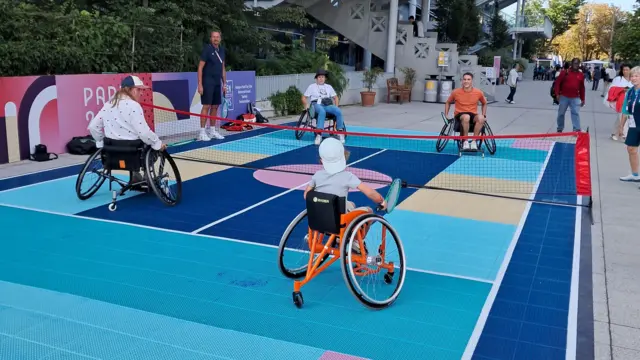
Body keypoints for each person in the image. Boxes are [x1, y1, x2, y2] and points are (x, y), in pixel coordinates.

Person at [88, 75, 165, 182]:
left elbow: (93, 127)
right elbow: (144, 133)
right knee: (152, 145)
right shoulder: (134, 106)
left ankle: (135, 174)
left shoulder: (108, 105)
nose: (141, 93)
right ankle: (147, 175)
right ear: (130, 90)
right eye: (139, 90)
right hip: (134, 154)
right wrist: (158, 144)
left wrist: (101, 142)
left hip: (112, 153)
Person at [304, 137, 386, 213]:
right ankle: (357, 228)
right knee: (369, 210)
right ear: (343, 156)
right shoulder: (348, 176)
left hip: (320, 217)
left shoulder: (317, 175)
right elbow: (369, 192)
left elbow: (306, 196)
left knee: (351, 204)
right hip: (340, 219)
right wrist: (381, 201)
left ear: (322, 160)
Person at [444, 72, 488, 150]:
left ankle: (474, 142)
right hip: (460, 115)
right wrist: (446, 114)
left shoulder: (478, 92)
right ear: (462, 81)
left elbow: (484, 103)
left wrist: (484, 115)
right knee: (466, 117)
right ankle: (465, 141)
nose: (466, 81)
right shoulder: (456, 92)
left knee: (481, 118)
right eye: (464, 79)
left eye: (468, 79)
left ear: (472, 81)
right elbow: (448, 102)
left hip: (473, 115)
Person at [302, 69, 346, 145]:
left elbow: (336, 98)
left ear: (325, 78)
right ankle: (319, 135)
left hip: (327, 104)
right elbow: (303, 98)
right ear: (316, 78)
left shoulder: (329, 87)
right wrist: (306, 105)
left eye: (323, 77)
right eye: (319, 77)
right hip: (316, 104)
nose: (321, 78)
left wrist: (336, 107)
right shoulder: (312, 86)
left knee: (338, 111)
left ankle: (340, 132)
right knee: (322, 111)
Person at [197, 30, 227, 141]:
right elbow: (200, 68)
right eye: (213, 37)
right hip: (207, 82)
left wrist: (225, 84)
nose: (215, 39)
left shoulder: (222, 50)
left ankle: (212, 131)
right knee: (206, 106)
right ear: (211, 38)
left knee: (215, 107)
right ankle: (202, 132)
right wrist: (200, 84)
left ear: (220, 39)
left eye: (217, 37)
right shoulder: (207, 50)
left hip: (217, 83)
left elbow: (223, 68)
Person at [619, 66, 640, 183]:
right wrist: (621, 126)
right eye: (632, 76)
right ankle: (635, 174)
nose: (633, 78)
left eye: (636, 76)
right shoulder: (630, 92)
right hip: (633, 124)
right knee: (631, 148)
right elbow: (625, 111)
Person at [555, 58, 585, 132]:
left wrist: (583, 98)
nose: (576, 65)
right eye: (574, 63)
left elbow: (582, 87)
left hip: (575, 97)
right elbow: (557, 83)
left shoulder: (581, 74)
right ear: (571, 64)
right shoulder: (564, 72)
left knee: (575, 113)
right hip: (564, 97)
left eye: (577, 63)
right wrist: (557, 94)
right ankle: (560, 128)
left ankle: (576, 129)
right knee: (561, 114)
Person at [605, 64, 632, 141]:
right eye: (624, 70)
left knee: (620, 118)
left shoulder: (633, 79)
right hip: (620, 101)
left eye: (627, 70)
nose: (625, 71)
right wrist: (622, 89)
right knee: (624, 117)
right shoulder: (618, 79)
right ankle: (625, 135)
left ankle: (614, 133)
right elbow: (611, 88)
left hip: (630, 101)